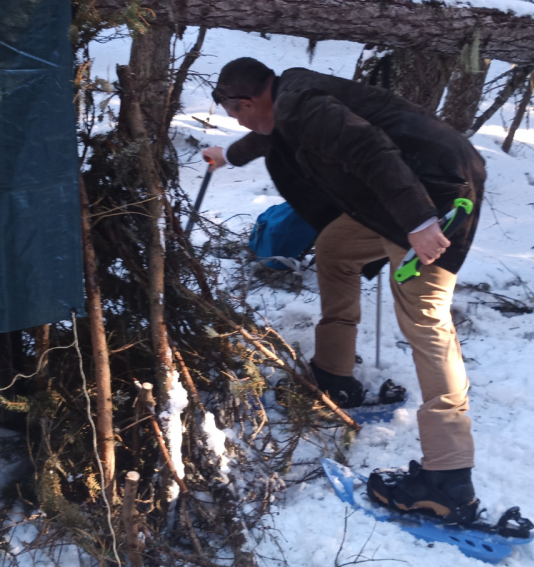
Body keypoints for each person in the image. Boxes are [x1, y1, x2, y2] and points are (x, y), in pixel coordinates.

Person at [203, 57, 488, 526]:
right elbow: (269, 132)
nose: (236, 119)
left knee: (426, 323)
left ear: (248, 100)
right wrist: (229, 154)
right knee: (336, 247)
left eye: (234, 111)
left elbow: (369, 148)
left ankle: (449, 479)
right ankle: (334, 375)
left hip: (434, 194)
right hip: (400, 190)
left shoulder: (301, 106)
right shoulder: (289, 98)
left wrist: (419, 221)